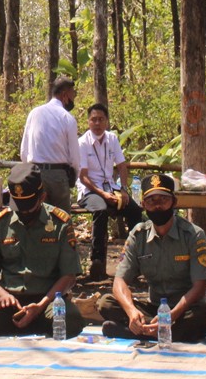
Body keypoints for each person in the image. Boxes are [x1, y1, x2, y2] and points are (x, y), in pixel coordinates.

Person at [0, 162, 84, 338]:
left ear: (42, 197)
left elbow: (69, 276)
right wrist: (1, 295)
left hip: (47, 302)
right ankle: (21, 323)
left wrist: (41, 305)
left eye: (28, 206)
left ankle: (30, 322)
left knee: (71, 321)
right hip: (9, 302)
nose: (23, 212)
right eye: (19, 206)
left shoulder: (60, 223)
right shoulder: (1, 223)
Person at [98, 172, 206, 342]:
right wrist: (131, 312)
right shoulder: (138, 235)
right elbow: (119, 282)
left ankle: (140, 332)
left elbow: (199, 287)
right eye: (151, 201)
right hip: (154, 310)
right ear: (143, 204)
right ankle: (159, 332)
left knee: (203, 315)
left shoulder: (193, 234)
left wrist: (171, 316)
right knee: (106, 303)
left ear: (174, 202)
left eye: (163, 200)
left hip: (183, 311)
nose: (158, 206)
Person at [76, 103, 143, 280]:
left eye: (101, 119)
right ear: (88, 122)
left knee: (135, 210)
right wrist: (103, 195)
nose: (97, 123)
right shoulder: (82, 143)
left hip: (111, 188)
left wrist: (124, 190)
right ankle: (97, 262)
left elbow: (121, 166)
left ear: (107, 121)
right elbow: (83, 177)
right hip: (89, 191)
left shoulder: (112, 139)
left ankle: (134, 258)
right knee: (100, 210)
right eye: (93, 119)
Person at [19, 77, 79, 211]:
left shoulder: (34, 113)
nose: (73, 98)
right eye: (73, 94)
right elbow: (74, 156)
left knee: (38, 216)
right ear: (64, 95)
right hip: (58, 175)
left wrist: (30, 171)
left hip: (35, 173)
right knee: (61, 218)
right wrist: (73, 176)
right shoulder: (67, 118)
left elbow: (24, 150)